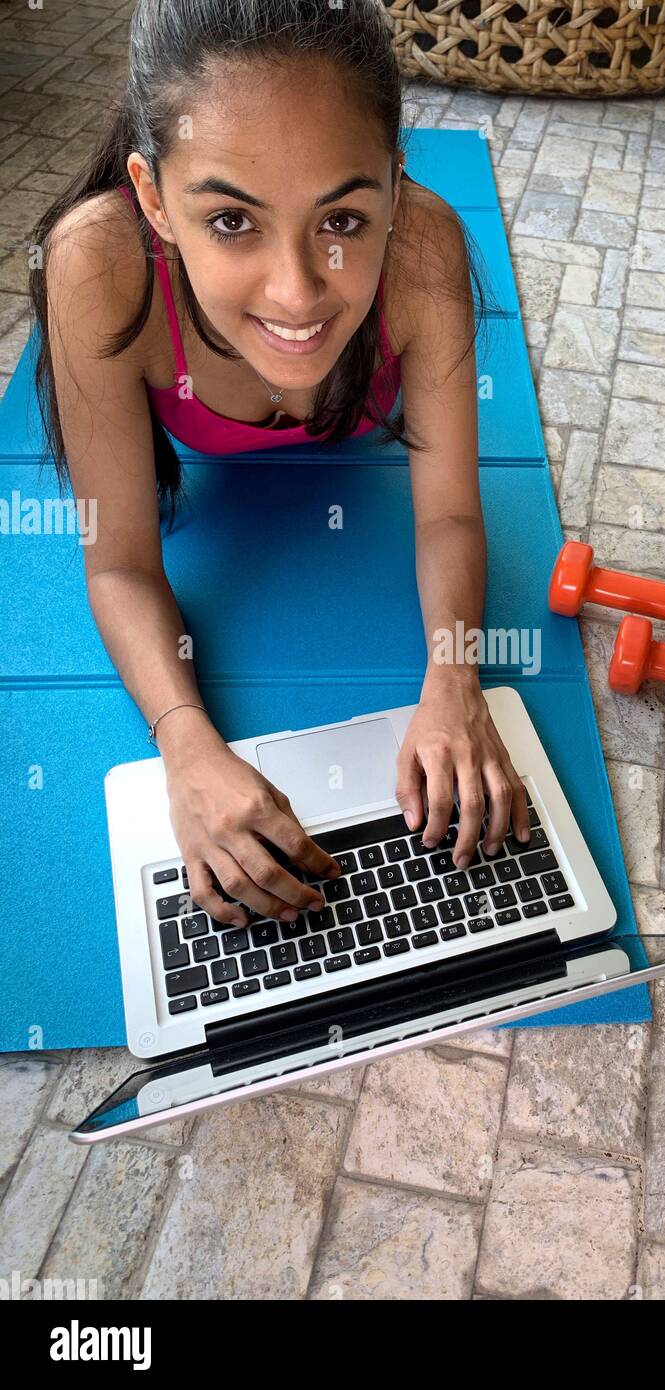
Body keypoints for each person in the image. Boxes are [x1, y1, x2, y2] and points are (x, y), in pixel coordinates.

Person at [28, 0, 532, 933]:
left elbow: (452, 516)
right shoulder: (98, 264)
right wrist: (186, 749)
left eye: (343, 216)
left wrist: (454, 682)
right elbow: (119, 563)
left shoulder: (423, 249)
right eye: (230, 221)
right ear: (152, 199)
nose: (297, 291)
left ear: (394, 181)